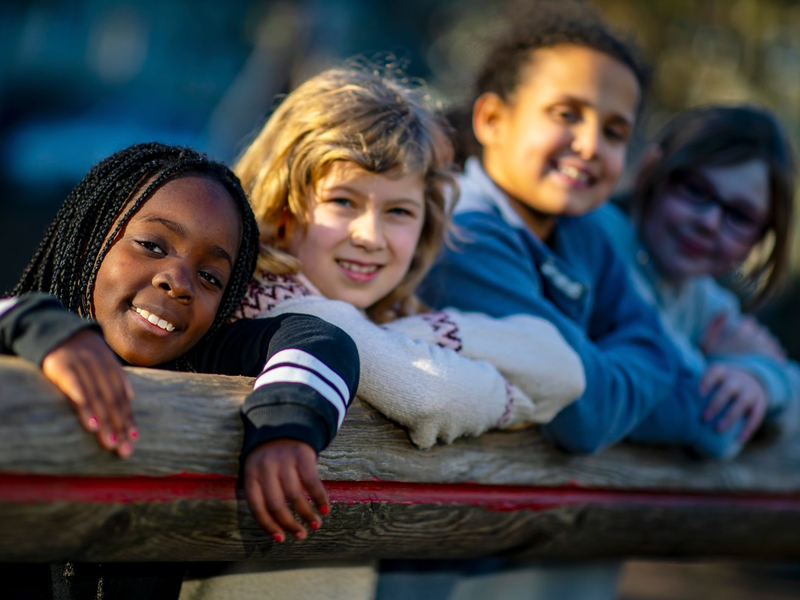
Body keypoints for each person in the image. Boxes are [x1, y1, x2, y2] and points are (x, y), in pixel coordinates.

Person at [178, 65, 586, 600]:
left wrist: (416, 335)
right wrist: (504, 393)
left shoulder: (384, 324)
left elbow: (564, 368)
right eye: (343, 201)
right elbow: (430, 394)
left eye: (398, 211)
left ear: (425, 228)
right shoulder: (281, 305)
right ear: (283, 208)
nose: (370, 236)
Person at [411, 2, 755, 598]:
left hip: (562, 566)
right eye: (566, 113)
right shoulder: (465, 236)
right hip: (460, 574)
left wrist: (632, 367)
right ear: (492, 119)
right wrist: (643, 366)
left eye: (615, 131)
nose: (591, 144)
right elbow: (585, 408)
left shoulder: (588, 233)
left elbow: (691, 402)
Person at [3, 142, 359, 598]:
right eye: (152, 246)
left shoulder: (199, 360)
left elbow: (321, 340)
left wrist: (285, 429)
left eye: (210, 277)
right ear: (91, 237)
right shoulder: (24, 337)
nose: (178, 282)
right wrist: (44, 328)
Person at [595, 104, 800, 442]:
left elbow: (793, 388)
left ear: (758, 239)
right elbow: (713, 428)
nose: (709, 223)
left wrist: (761, 380)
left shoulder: (701, 294)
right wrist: (720, 362)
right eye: (696, 191)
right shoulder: (596, 243)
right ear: (651, 171)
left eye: (740, 216)